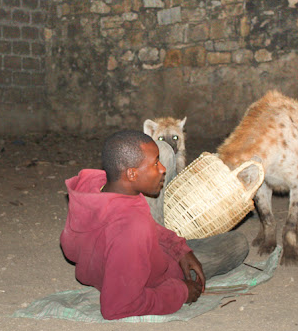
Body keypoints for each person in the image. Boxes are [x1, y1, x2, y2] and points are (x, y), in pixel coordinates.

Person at [61, 130, 249, 320]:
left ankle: (178, 241)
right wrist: (181, 291)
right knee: (237, 243)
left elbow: (134, 223)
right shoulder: (132, 230)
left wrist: (179, 248)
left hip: (120, 253)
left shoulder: (94, 185)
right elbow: (117, 307)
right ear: (132, 174)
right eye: (155, 164)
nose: (162, 169)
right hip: (158, 271)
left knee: (164, 149)